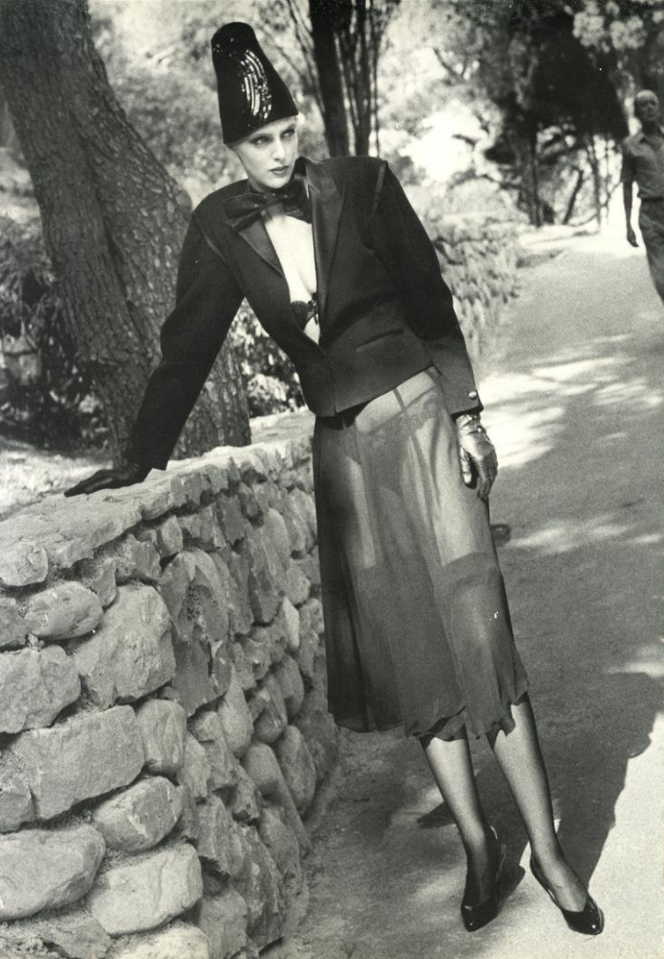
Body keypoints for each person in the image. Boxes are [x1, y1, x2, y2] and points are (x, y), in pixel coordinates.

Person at [66, 22, 604, 937]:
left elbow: (434, 306)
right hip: (345, 457)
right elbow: (187, 348)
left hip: (422, 424)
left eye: (286, 134)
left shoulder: (364, 184)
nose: (279, 153)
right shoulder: (219, 228)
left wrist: (470, 415)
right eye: (259, 141)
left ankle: (550, 855)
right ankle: (480, 847)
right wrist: (139, 458)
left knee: (479, 627)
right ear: (233, 147)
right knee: (411, 656)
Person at [622, 89, 664, 306]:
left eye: (652, 103)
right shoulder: (630, 146)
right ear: (637, 112)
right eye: (643, 105)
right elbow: (627, 185)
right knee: (661, 277)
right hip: (650, 215)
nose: (649, 108)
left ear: (658, 108)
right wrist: (628, 224)